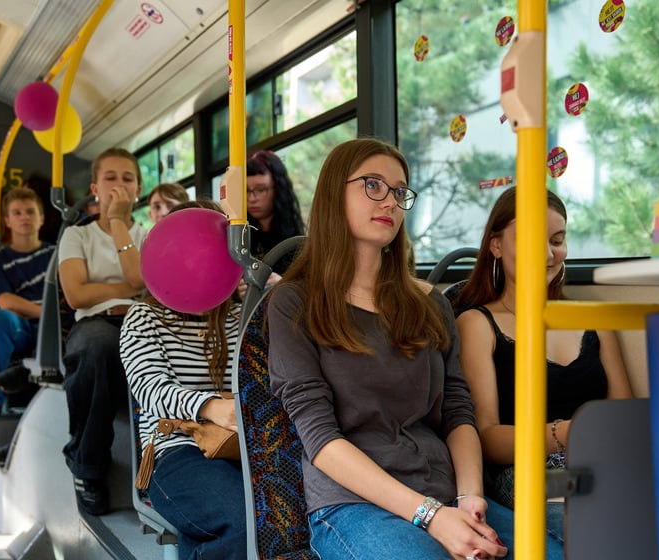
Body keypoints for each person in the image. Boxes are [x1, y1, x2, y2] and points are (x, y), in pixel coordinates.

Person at [267, 138, 513, 560]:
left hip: (446, 490)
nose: (392, 202)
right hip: (354, 502)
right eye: (373, 185)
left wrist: (469, 497)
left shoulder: (430, 303)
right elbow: (321, 440)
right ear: (332, 195)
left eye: (400, 191)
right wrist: (431, 516)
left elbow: (457, 412)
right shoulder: (294, 303)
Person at [454, 186, 633, 549]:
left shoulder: (594, 320)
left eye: (558, 240)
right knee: (597, 525)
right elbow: (485, 437)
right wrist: (565, 433)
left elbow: (625, 416)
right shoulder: (477, 323)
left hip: (601, 460)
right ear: (496, 245)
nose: (549, 253)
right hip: (527, 471)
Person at [120, 199, 246, 560]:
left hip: (243, 447)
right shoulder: (144, 318)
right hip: (174, 451)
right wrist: (210, 407)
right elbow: (150, 388)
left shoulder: (241, 316)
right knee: (237, 519)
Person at [59, 147, 149, 515]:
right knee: (97, 348)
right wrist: (130, 289)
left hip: (143, 321)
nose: (119, 185)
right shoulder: (76, 237)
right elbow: (78, 294)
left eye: (127, 178)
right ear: (95, 188)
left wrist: (118, 226)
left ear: (138, 190)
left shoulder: (150, 235)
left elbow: (143, 281)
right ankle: (88, 464)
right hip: (96, 322)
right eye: (110, 178)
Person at [0, 187, 55, 425]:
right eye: (17, 213)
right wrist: (45, 313)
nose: (24, 217)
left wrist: (38, 312)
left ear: (41, 218)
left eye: (30, 211)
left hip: (59, 326)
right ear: (7, 221)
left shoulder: (57, 255)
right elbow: (5, 300)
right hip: (24, 327)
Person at [237, 150, 305, 300]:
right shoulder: (237, 236)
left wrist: (282, 285)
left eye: (261, 189)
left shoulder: (300, 242)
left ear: (278, 189)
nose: (252, 198)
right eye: (246, 191)